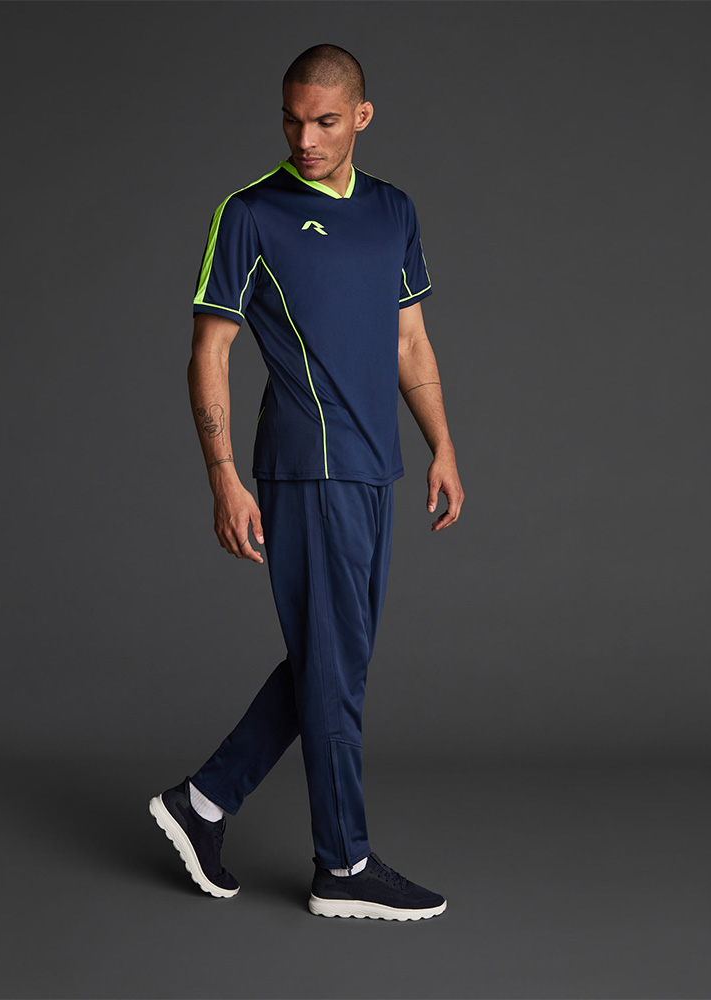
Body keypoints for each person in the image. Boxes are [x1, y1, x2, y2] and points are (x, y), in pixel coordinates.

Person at [150, 43, 464, 921]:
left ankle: (202, 802)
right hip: (306, 466)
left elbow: (409, 339)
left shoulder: (393, 209)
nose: (306, 138)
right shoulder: (251, 213)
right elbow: (209, 350)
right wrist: (222, 478)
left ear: (362, 116)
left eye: (325, 121)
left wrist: (442, 445)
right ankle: (344, 863)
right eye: (292, 120)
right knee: (335, 664)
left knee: (336, 660)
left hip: (375, 467)